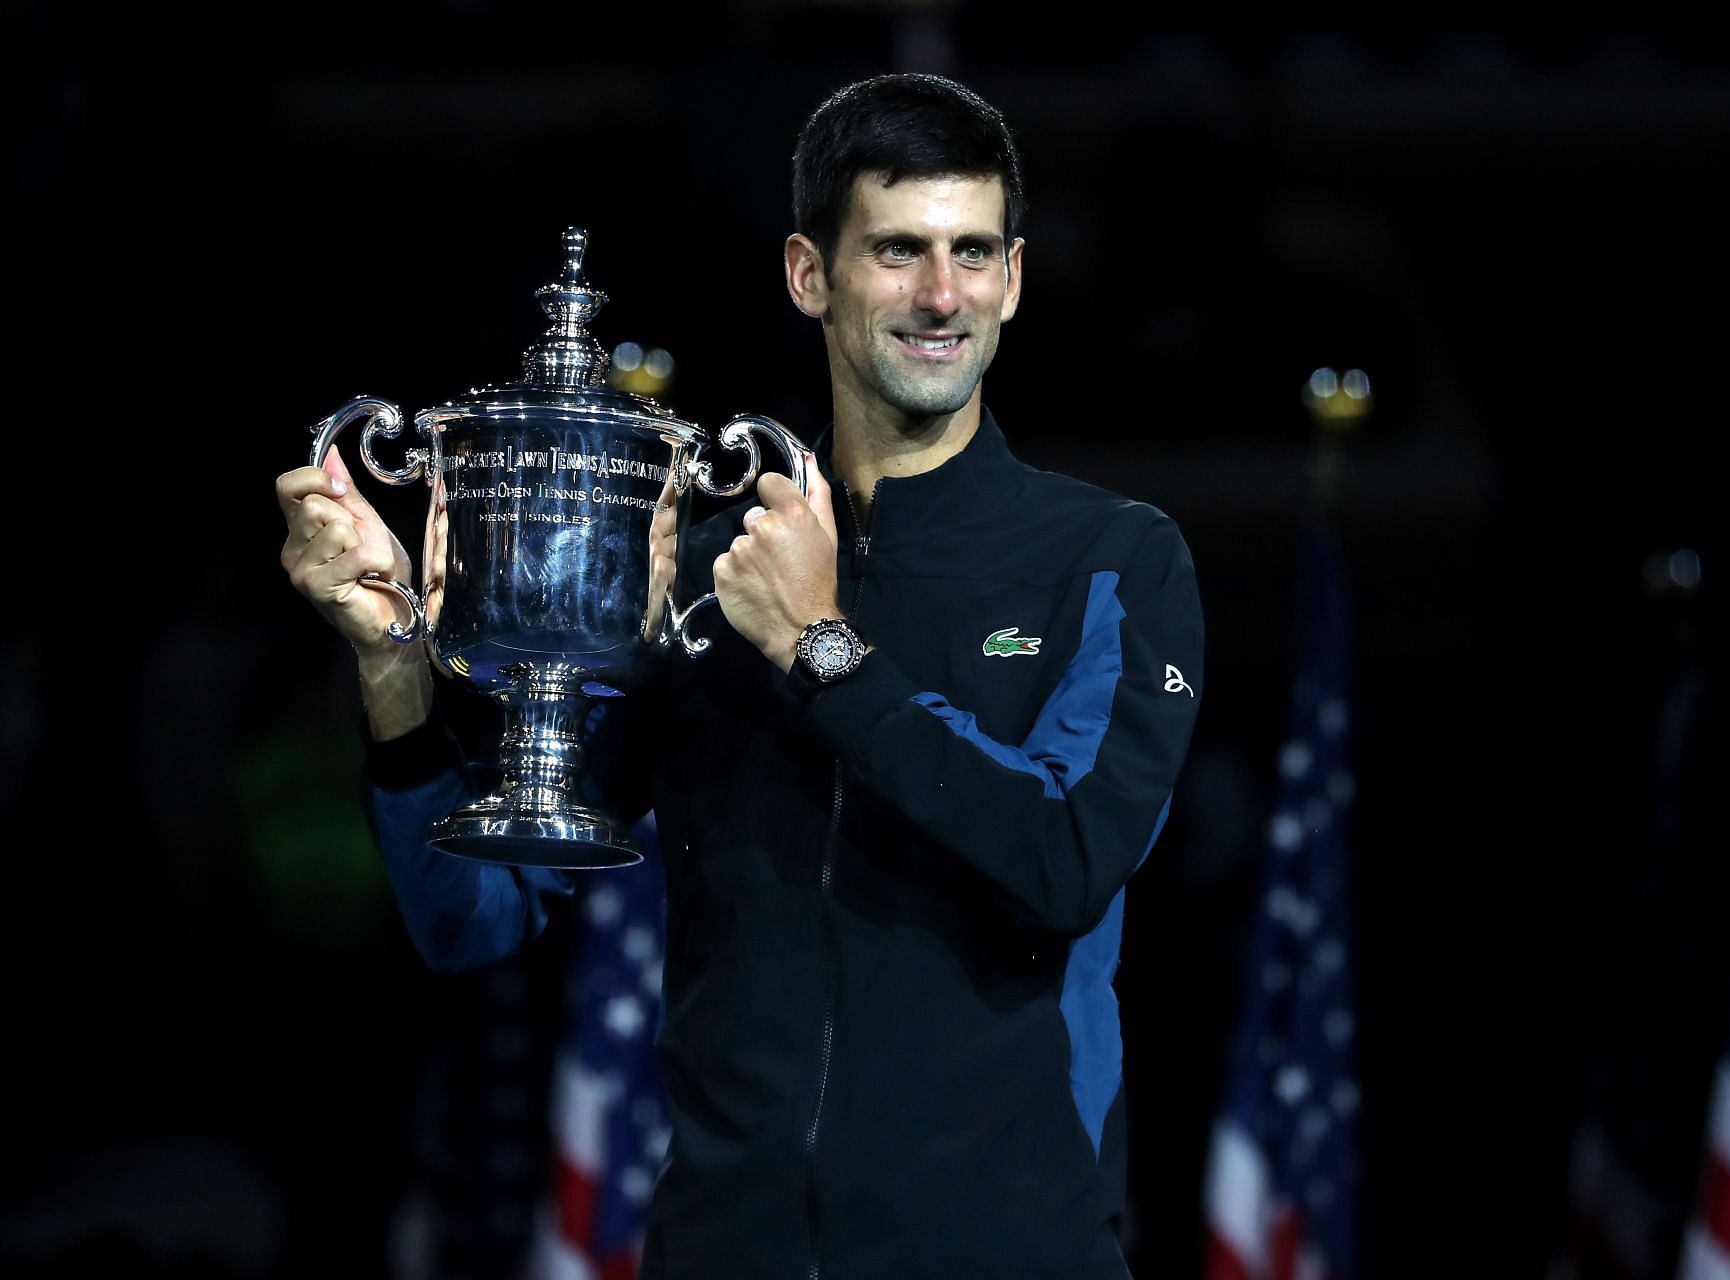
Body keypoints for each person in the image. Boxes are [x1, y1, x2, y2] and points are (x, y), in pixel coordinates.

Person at [277, 72, 1203, 1279]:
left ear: (1014, 278)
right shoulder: (706, 577)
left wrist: (822, 646)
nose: (941, 295)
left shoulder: (1114, 556)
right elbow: (473, 920)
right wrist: (391, 658)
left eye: (973, 252)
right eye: (897, 251)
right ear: (808, 274)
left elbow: (1067, 856)